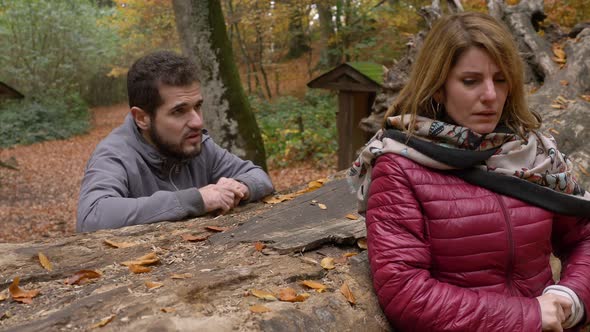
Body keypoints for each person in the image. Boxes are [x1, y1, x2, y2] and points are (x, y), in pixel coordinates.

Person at [349, 12, 590, 332]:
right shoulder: (400, 167)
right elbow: (405, 292)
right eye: (470, 81)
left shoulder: (532, 153)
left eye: (500, 79)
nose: (490, 94)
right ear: (438, 88)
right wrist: (527, 316)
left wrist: (571, 294)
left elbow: (584, 236)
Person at [77, 51, 274, 232]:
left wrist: (240, 186)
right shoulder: (115, 155)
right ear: (142, 118)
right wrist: (196, 199)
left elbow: (258, 176)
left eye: (197, 106)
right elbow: (92, 216)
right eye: (179, 111)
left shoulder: (199, 145)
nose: (197, 122)